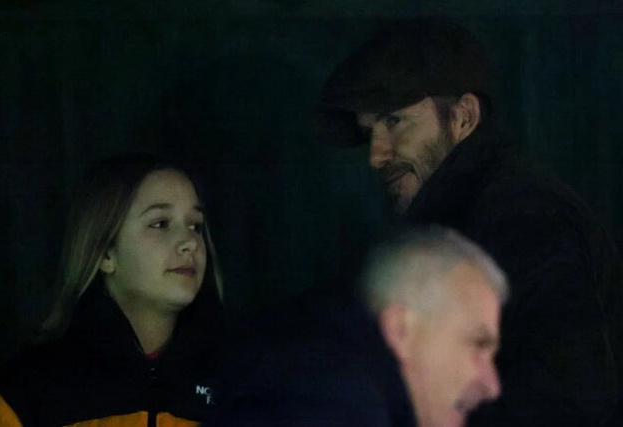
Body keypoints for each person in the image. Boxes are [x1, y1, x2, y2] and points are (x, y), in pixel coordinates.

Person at [313, 17, 623, 425]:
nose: (376, 155)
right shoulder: (465, 217)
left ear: (463, 117)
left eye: (394, 121)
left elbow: (567, 404)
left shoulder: (526, 220)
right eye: (369, 131)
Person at [0, 152, 224, 426]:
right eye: (160, 224)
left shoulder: (239, 382)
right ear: (105, 253)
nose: (190, 242)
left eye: (196, 226)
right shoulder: (25, 397)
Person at [213, 226, 507, 427]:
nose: (491, 386)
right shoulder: (332, 402)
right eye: (478, 344)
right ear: (401, 330)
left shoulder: (327, 384)